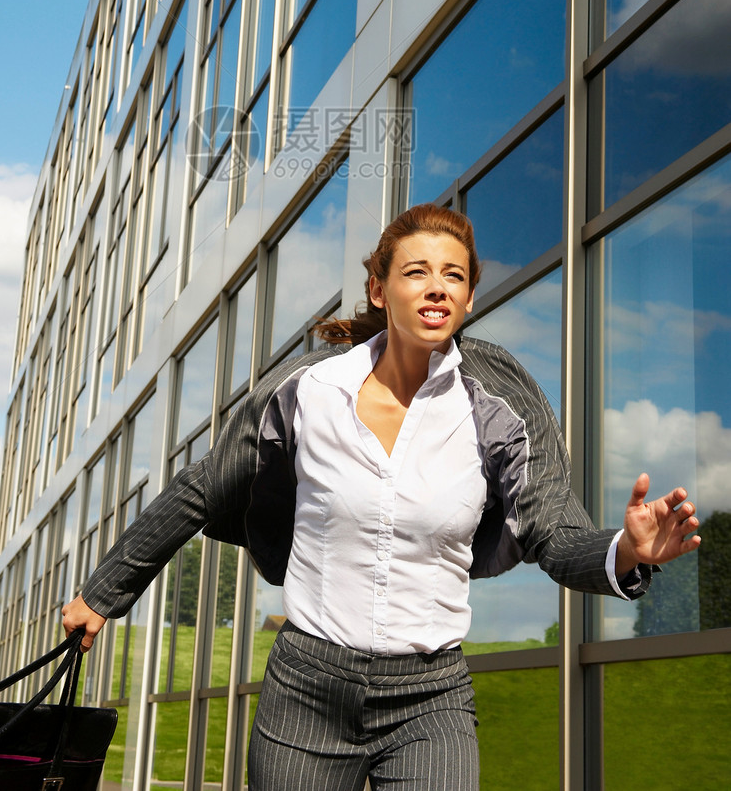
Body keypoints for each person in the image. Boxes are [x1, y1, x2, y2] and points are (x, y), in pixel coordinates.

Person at [63, 204, 700, 790]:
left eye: (453, 275)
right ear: (380, 289)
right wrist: (103, 594)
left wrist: (625, 553)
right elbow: (204, 487)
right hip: (306, 689)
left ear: (469, 297)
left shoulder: (498, 400)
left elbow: (553, 532)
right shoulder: (309, 389)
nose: (436, 286)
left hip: (430, 697)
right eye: (417, 271)